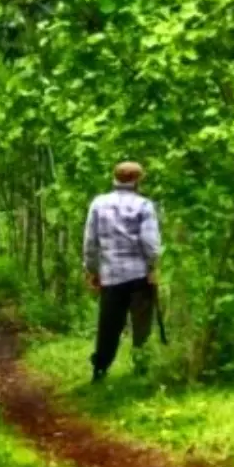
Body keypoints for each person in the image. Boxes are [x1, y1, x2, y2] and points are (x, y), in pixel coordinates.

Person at [83, 161, 162, 383]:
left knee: (108, 325)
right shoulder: (144, 205)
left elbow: (90, 242)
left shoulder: (98, 204)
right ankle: (141, 368)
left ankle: (100, 368)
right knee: (142, 326)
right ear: (137, 181)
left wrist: (92, 270)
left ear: (115, 178)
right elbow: (150, 243)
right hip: (139, 276)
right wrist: (153, 266)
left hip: (111, 276)